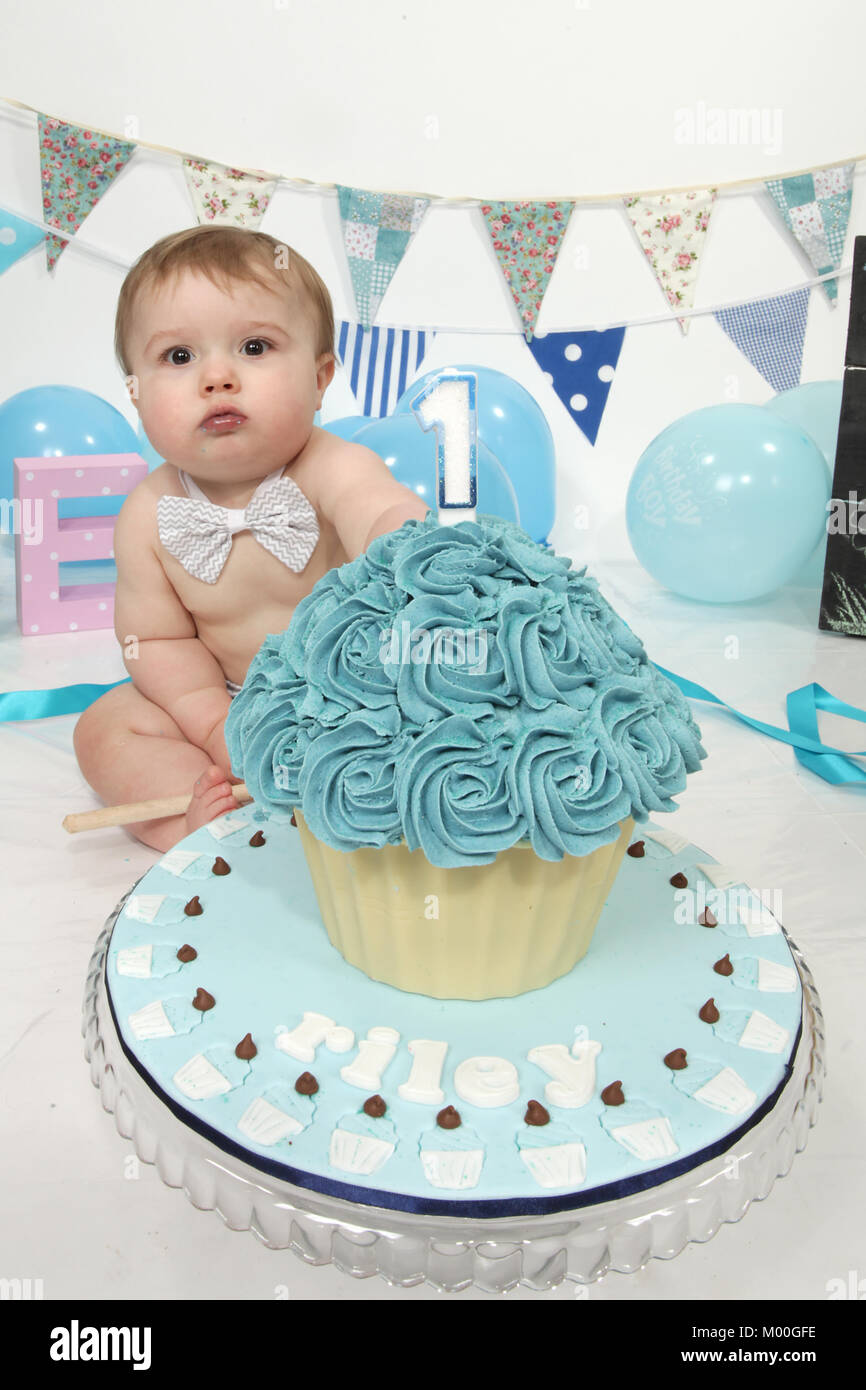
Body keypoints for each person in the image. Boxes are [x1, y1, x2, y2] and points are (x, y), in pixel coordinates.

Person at [73, 225, 429, 851]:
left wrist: (405, 545)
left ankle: (363, 794)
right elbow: (155, 639)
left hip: (353, 694)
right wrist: (216, 724)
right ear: (134, 390)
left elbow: (383, 514)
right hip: (227, 697)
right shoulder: (149, 512)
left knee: (431, 707)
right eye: (178, 357)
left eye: (255, 347)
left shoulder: (332, 466)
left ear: (321, 378)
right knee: (105, 730)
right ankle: (203, 820)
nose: (217, 378)